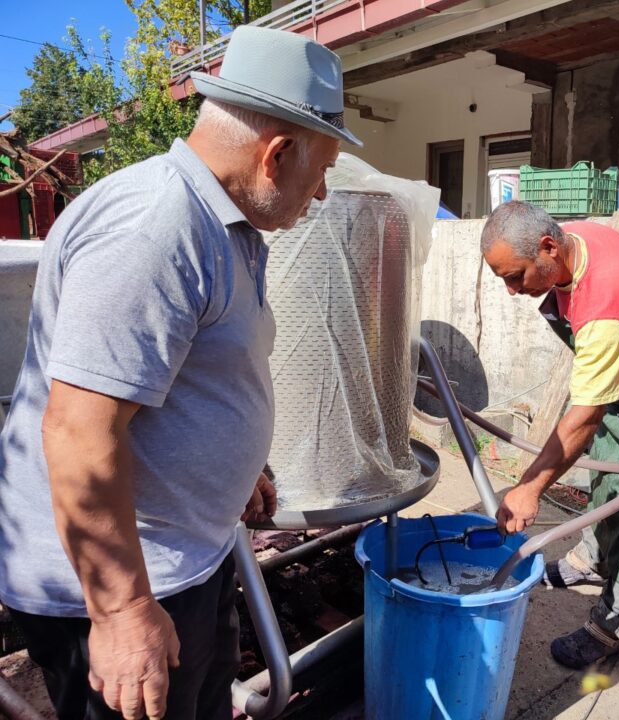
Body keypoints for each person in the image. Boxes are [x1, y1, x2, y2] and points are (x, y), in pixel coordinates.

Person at [0, 26, 361, 720]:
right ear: (278, 154)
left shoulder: (227, 225)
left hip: (183, 556)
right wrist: (124, 609)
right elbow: (80, 430)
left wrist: (233, 472)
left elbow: (190, 378)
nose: (320, 195)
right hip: (120, 586)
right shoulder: (157, 227)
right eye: (323, 171)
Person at [481, 201, 619, 668]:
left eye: (515, 276)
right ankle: (589, 560)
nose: (513, 291)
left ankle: (613, 623)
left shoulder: (604, 308)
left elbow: (585, 418)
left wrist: (529, 487)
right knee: (602, 481)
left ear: (549, 248)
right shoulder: (572, 237)